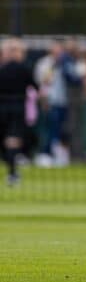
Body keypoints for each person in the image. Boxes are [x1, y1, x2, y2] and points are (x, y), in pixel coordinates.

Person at [0, 38, 37, 185]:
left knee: (6, 140)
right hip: (17, 107)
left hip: (2, 106)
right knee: (13, 140)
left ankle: (12, 170)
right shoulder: (24, 69)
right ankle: (13, 173)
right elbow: (34, 86)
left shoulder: (2, 69)